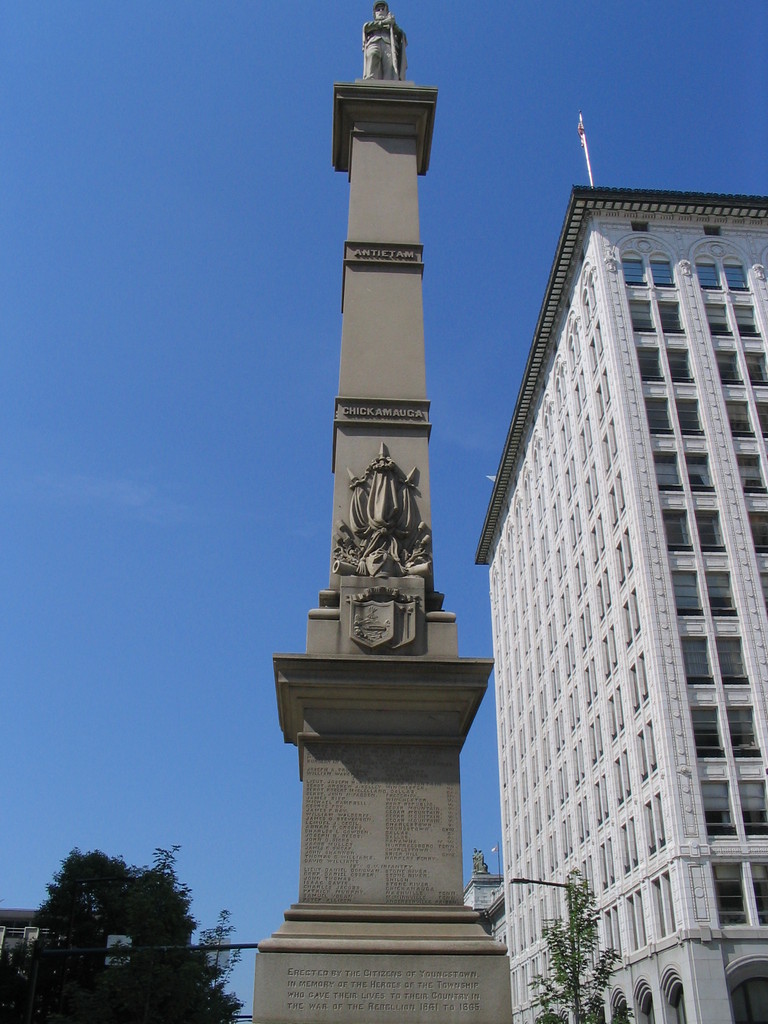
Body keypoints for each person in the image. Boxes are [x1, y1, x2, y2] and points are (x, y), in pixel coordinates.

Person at [362, 1, 407, 81]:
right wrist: (384, 22)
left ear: (387, 12)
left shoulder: (392, 25)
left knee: (390, 64)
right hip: (374, 42)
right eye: (378, 10)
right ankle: (371, 78)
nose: (380, 11)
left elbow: (401, 35)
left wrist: (393, 25)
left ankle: (389, 82)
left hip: (388, 44)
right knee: (373, 54)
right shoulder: (370, 24)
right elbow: (367, 28)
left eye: (383, 9)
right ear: (374, 14)